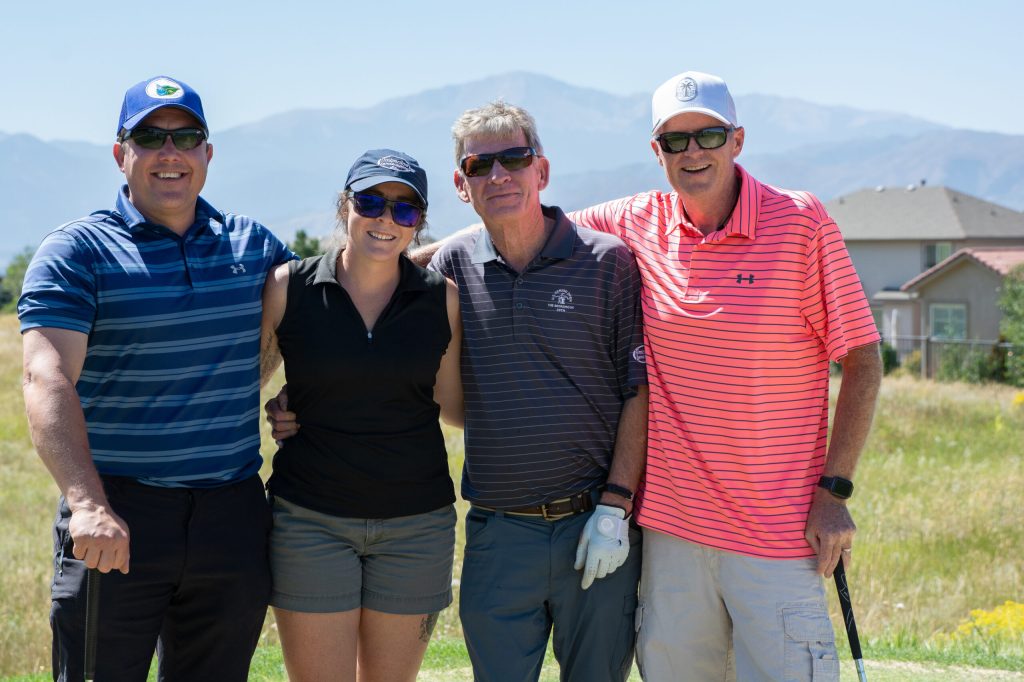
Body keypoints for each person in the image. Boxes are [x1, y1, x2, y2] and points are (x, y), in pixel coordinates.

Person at [267, 102, 648, 681]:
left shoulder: (606, 262)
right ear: (461, 184)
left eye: (514, 159)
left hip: (590, 521)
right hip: (497, 528)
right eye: (480, 165)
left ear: (540, 170)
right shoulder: (453, 266)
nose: (498, 176)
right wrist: (311, 393)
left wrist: (617, 505)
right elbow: (380, 270)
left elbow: (637, 388)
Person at [568, 71, 883, 681]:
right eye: (674, 141)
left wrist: (835, 492)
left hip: (780, 537)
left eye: (708, 135)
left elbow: (863, 362)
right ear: (655, 152)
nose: (693, 153)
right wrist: (408, 261)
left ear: (737, 140)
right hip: (674, 535)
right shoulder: (637, 220)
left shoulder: (802, 223)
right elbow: (530, 224)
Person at [19, 76, 294, 681]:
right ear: (121, 153)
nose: (170, 152)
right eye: (149, 136)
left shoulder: (253, 245)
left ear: (207, 154)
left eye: (186, 136)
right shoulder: (77, 250)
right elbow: (46, 377)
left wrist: (294, 399)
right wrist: (87, 504)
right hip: (117, 512)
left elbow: (345, 291)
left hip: (233, 513)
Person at [258, 149, 463, 682]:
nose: (385, 219)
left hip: (416, 527)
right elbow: (248, 382)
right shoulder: (289, 287)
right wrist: (273, 405)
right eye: (371, 202)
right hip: (310, 520)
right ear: (344, 205)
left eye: (404, 210)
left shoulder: (443, 300)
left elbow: (455, 409)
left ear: (419, 223)